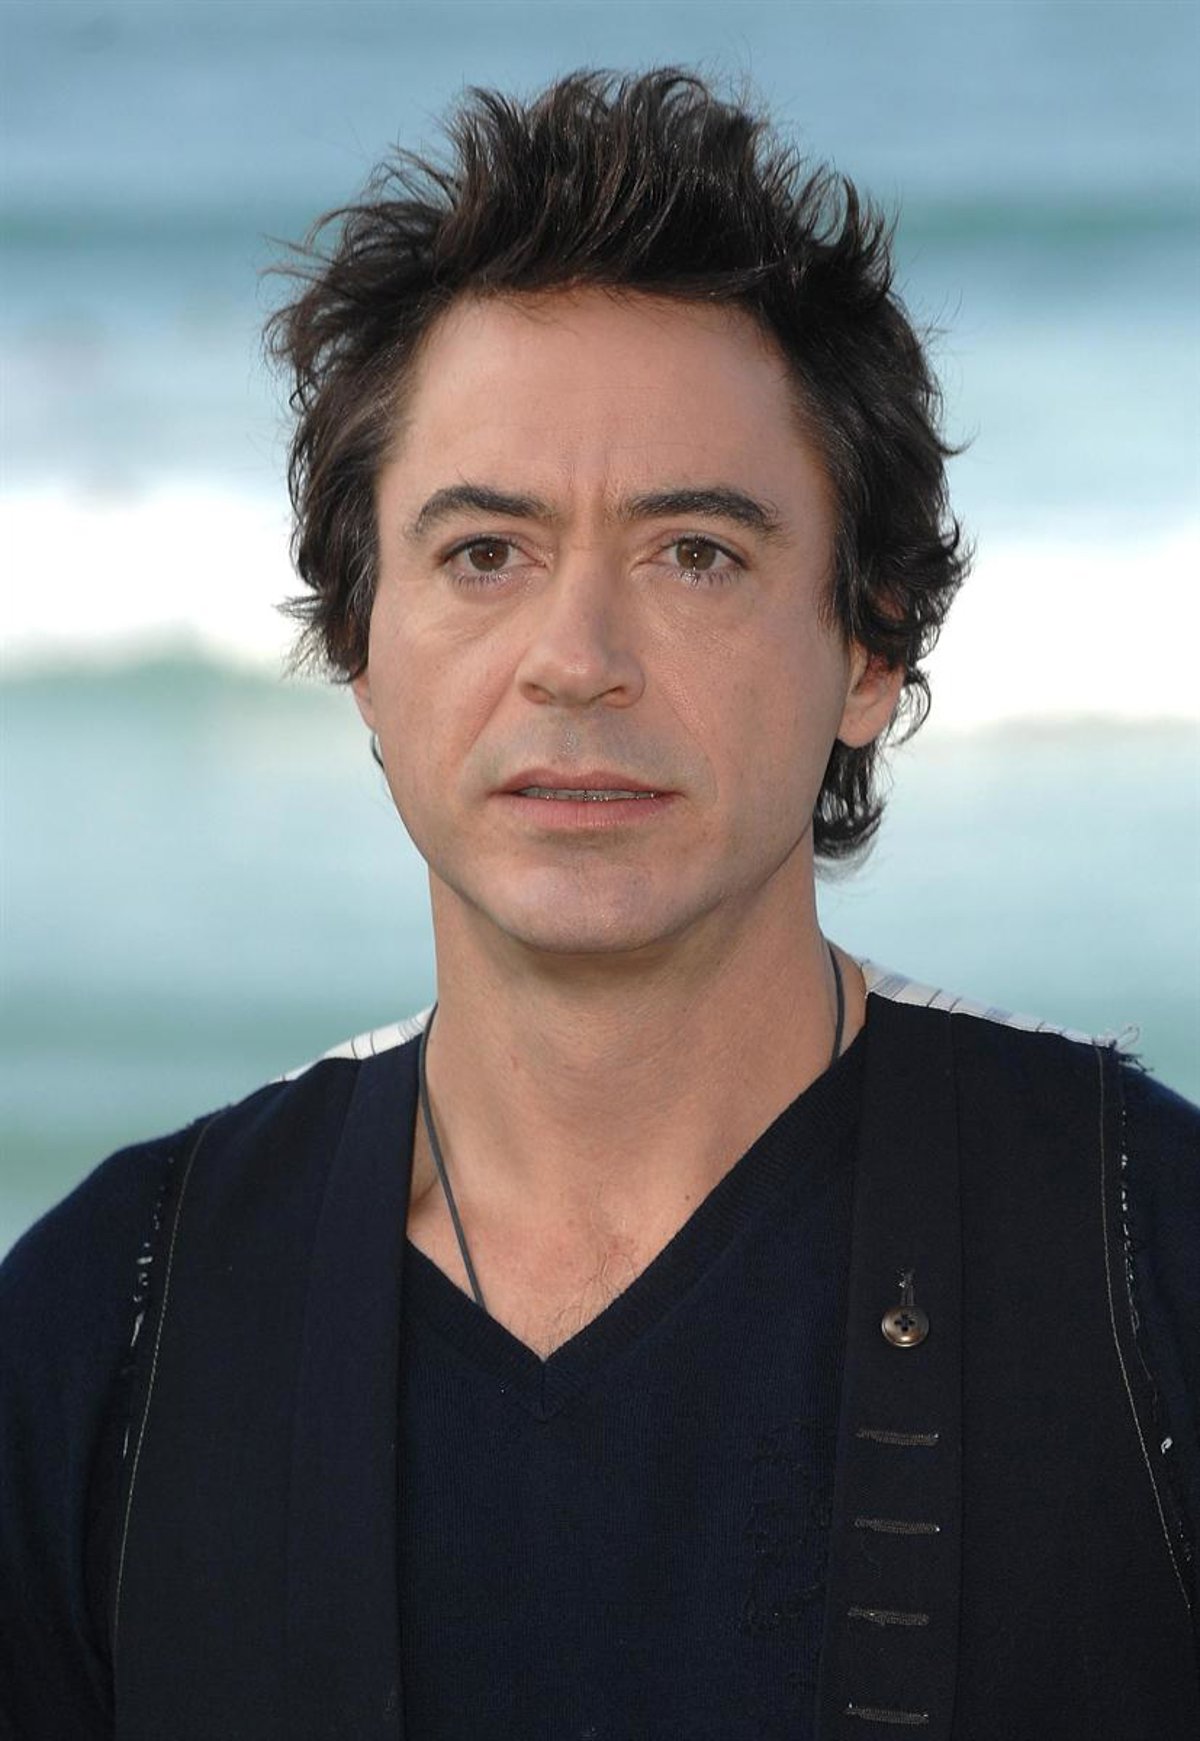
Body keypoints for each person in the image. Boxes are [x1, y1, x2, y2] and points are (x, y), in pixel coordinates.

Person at [2, 68, 1196, 1741]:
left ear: (870, 645)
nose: (576, 659)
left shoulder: (1147, 1263)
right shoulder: (111, 1327)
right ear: (358, 642)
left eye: (695, 552)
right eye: (484, 553)